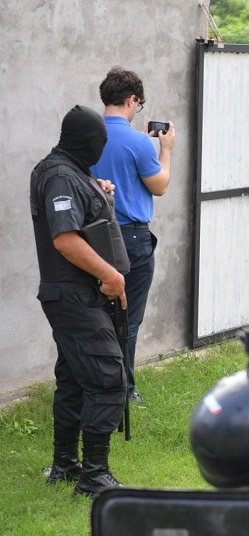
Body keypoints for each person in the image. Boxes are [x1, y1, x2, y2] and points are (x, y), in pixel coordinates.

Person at [31, 105, 130, 497]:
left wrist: (97, 189)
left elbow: (78, 203)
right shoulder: (59, 176)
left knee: (74, 379)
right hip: (74, 294)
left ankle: (65, 466)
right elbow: (65, 239)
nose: (100, 151)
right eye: (99, 144)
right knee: (107, 378)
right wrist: (111, 275)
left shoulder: (67, 169)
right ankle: (94, 476)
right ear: (87, 142)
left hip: (74, 294)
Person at [91, 67, 176, 404]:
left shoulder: (88, 135)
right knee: (128, 318)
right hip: (131, 240)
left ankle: (94, 384)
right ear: (131, 100)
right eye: (138, 104)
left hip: (92, 240)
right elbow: (160, 185)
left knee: (96, 315)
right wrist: (165, 149)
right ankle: (123, 390)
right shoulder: (140, 142)